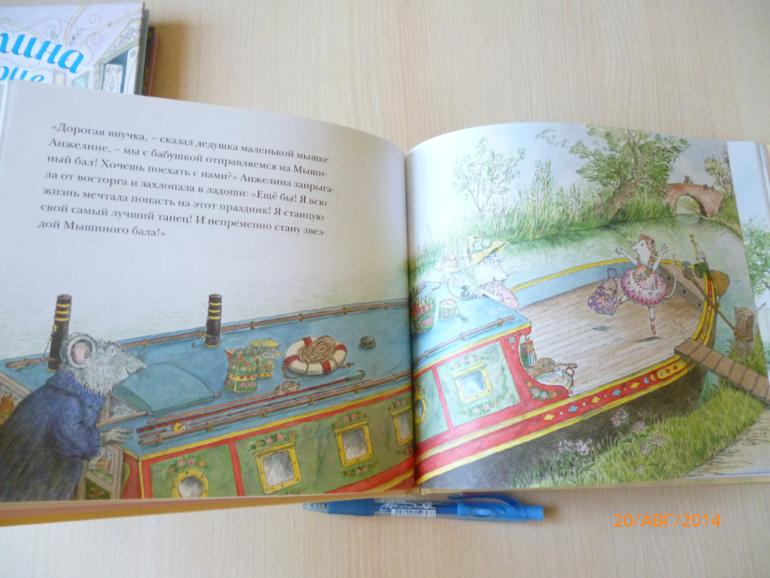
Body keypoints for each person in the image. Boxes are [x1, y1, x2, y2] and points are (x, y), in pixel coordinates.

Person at [437, 234, 519, 310]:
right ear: (469, 268)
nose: (504, 277)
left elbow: (513, 304)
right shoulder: (451, 287)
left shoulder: (491, 286)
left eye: (498, 261)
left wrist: (488, 294)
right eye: (490, 262)